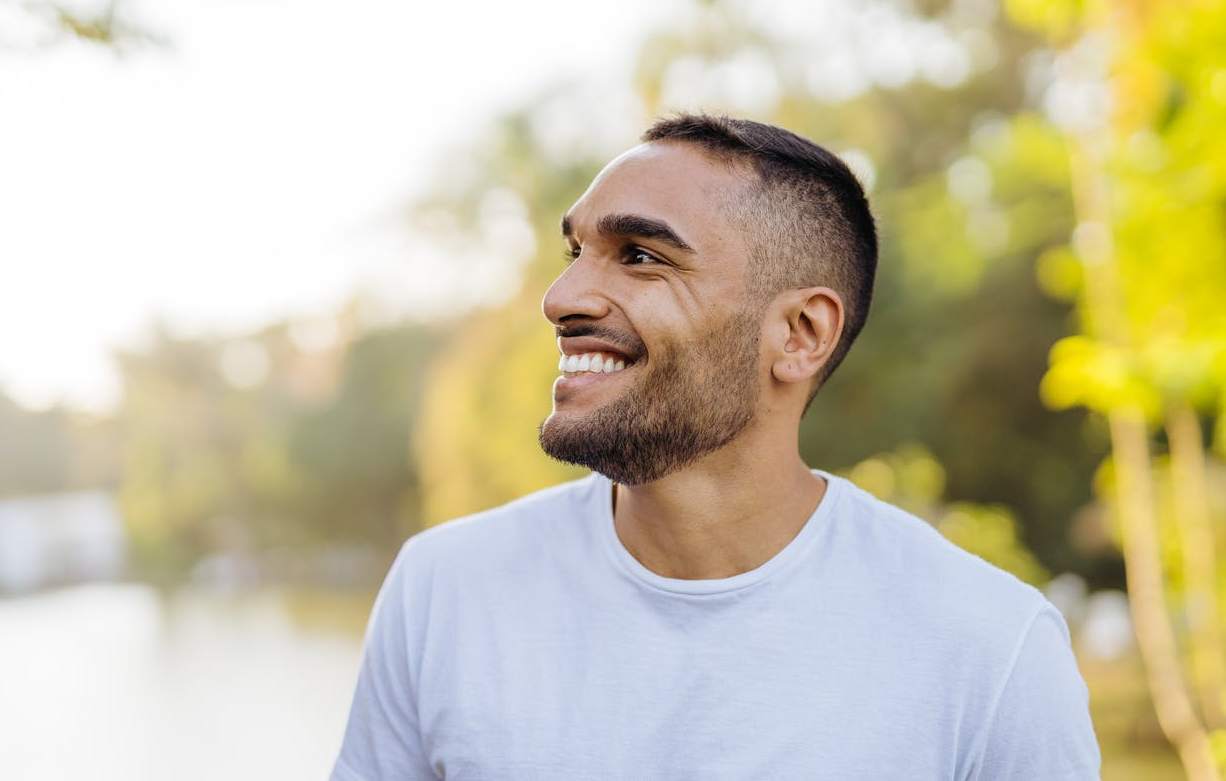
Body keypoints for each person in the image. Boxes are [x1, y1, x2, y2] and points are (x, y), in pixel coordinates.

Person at [331, 114, 1101, 780]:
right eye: (577, 253)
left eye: (640, 256)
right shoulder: (444, 590)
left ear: (800, 335)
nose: (561, 300)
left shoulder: (990, 649)